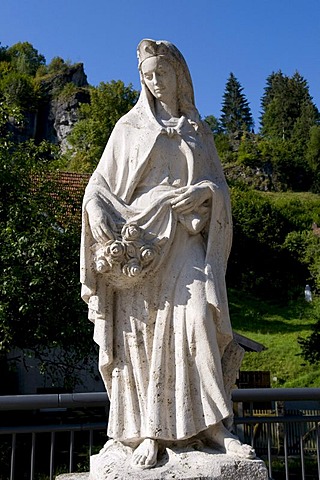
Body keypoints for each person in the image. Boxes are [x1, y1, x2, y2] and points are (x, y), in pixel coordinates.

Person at [81, 39, 255, 469]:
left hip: (187, 241)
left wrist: (205, 191)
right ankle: (148, 432)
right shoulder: (129, 128)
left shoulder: (199, 131)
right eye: (148, 76)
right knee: (144, 335)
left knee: (198, 319)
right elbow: (97, 188)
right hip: (142, 245)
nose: (155, 82)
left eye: (162, 73)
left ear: (180, 74)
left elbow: (221, 191)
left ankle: (215, 428)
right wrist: (101, 215)